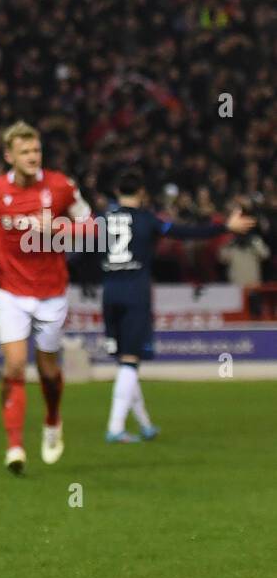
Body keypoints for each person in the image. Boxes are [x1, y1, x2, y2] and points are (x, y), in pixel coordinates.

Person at [92, 170, 254, 442]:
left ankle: (144, 424)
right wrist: (225, 226)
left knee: (124, 362)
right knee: (130, 361)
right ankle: (116, 428)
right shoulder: (148, 220)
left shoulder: (101, 221)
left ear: (117, 193)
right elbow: (185, 232)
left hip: (109, 293)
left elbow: (76, 247)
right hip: (135, 293)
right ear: (142, 193)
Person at [0, 121, 91, 475]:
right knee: (13, 366)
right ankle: (14, 446)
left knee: (48, 369)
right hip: (9, 289)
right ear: (9, 156)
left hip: (51, 291)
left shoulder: (61, 187)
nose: (32, 157)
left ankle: (53, 419)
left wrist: (58, 227)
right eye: (25, 152)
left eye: (36, 151)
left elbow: (91, 227)